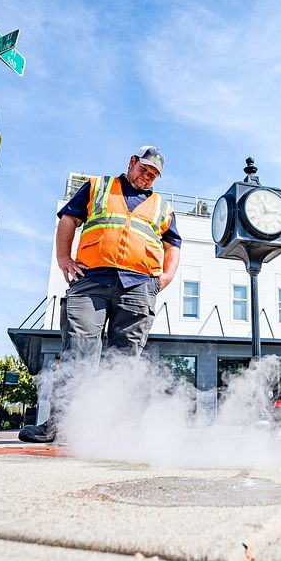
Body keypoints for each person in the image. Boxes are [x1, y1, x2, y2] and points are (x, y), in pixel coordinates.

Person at [19, 146, 181, 443]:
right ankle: (60, 425)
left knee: (123, 359)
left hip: (139, 286)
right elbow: (68, 219)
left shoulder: (162, 207)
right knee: (79, 350)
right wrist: (64, 260)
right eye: (144, 169)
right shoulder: (98, 187)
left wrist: (166, 277)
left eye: (154, 175)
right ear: (132, 162)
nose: (147, 177)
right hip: (91, 279)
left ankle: (112, 429)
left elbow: (174, 244)